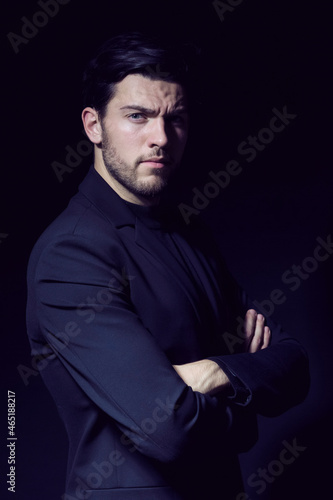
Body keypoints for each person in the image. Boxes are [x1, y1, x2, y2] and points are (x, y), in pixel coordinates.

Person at [26, 32, 309, 500]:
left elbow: (295, 364)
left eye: (174, 118)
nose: (161, 138)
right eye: (138, 116)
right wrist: (247, 405)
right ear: (93, 126)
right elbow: (170, 429)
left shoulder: (189, 232)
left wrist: (215, 373)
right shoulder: (70, 254)